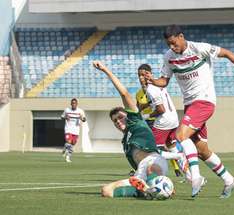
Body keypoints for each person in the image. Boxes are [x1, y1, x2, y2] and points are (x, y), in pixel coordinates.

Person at [144, 25, 234, 198]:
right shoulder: (169, 57)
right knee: (201, 150)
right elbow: (164, 81)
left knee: (180, 136)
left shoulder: (200, 48)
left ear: (181, 36)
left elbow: (227, 53)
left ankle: (196, 177)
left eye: (173, 43)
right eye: (168, 44)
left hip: (204, 100)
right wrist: (152, 80)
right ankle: (230, 180)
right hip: (190, 104)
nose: (171, 47)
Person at [92, 60, 171, 199]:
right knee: (106, 191)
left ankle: (158, 185)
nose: (118, 121)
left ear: (128, 115)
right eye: (115, 120)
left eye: (121, 117)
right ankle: (148, 190)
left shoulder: (136, 120)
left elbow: (124, 94)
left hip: (153, 162)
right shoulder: (125, 141)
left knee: (150, 169)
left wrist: (105, 70)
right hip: (140, 173)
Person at [137, 64, 189, 179]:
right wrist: (144, 106)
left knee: (151, 150)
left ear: (150, 74)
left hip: (164, 121)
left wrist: (146, 115)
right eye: (139, 75)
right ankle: (190, 176)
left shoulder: (151, 88)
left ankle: (145, 176)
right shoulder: (158, 83)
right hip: (173, 119)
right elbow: (157, 101)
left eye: (144, 74)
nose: (141, 78)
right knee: (171, 145)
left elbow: (161, 109)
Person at [61, 98, 86, 163]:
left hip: (76, 130)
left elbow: (84, 120)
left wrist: (81, 118)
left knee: (73, 143)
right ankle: (68, 157)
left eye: (75, 103)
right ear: (71, 104)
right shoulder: (67, 110)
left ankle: (65, 148)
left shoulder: (80, 111)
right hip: (68, 129)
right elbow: (61, 117)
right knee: (68, 142)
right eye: (72, 103)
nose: (73, 104)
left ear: (77, 104)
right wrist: (65, 117)